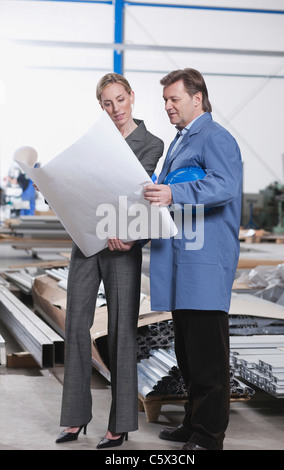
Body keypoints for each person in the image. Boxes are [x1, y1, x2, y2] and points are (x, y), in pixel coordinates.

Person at [55, 73, 164, 449]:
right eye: (107, 103)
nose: (115, 108)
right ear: (100, 106)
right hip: (87, 241)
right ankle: (74, 419)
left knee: (121, 334)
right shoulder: (94, 140)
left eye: (120, 99)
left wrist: (127, 229)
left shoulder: (152, 143)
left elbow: (138, 191)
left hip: (122, 246)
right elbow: (79, 184)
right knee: (76, 328)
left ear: (132, 97)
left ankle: (119, 425)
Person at [144, 68, 242, 450]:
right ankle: (192, 422)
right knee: (187, 352)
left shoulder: (216, 137)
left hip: (204, 262)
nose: (168, 106)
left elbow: (224, 185)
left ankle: (209, 434)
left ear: (197, 98)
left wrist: (171, 193)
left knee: (208, 358)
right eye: (165, 100)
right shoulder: (179, 142)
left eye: (174, 99)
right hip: (181, 262)